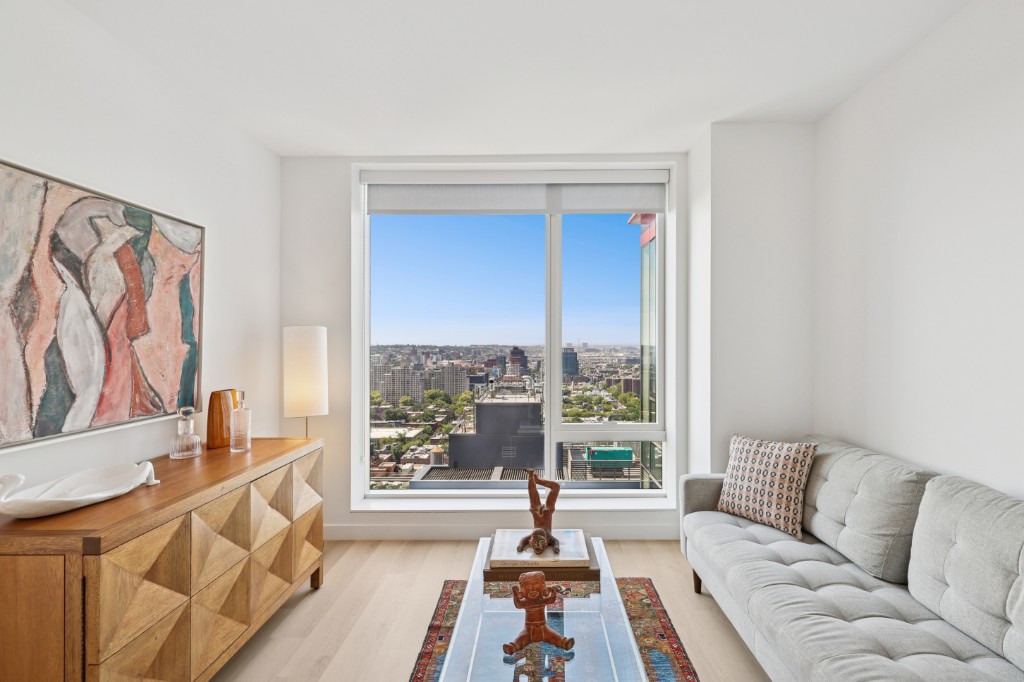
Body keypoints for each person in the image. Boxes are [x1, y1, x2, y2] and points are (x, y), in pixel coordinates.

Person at [502, 571, 575, 654]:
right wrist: (515, 595)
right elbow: (518, 605)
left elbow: (551, 600)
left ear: (543, 587)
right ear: (522, 590)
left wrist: (553, 592)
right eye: (527, 585)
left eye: (536, 585)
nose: (532, 589)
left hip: (544, 628)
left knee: (554, 636)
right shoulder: (526, 602)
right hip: (528, 630)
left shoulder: (542, 600)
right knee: (520, 639)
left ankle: (564, 643)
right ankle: (512, 647)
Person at [516, 469, 560, 555]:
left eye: (536, 544)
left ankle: (532, 477)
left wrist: (520, 546)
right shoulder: (547, 536)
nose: (537, 547)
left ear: (531, 541)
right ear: (546, 541)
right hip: (547, 513)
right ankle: (533, 478)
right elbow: (556, 541)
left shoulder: (534, 535)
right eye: (538, 543)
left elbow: (523, 540)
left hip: (539, 513)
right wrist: (556, 547)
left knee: (533, 496)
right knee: (556, 487)